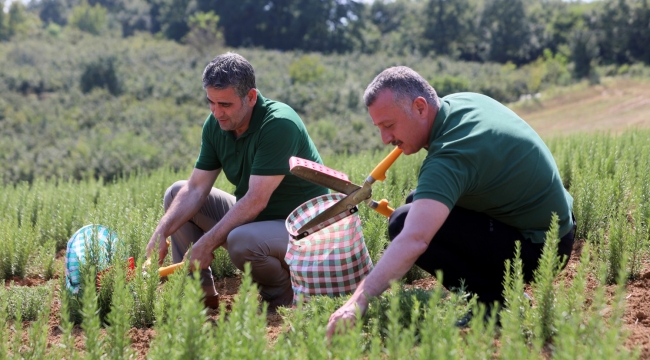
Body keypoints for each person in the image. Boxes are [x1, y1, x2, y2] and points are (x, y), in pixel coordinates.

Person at [327, 66, 575, 335]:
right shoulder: (462, 103)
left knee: (403, 223)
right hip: (557, 226)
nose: (386, 138)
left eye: (389, 126)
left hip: (543, 249)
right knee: (416, 203)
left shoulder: (451, 155)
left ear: (420, 107)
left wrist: (357, 301)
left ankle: (494, 303)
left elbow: (414, 239)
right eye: (379, 128)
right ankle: (498, 294)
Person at [145, 52, 327, 311]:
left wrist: (206, 243)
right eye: (211, 102)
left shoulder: (278, 124)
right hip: (261, 221)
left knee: (241, 239)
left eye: (225, 105)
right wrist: (161, 232)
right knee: (176, 193)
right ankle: (199, 297)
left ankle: (284, 297)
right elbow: (196, 188)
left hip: (303, 228)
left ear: (251, 97)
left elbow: (255, 200)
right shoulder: (217, 125)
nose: (217, 112)